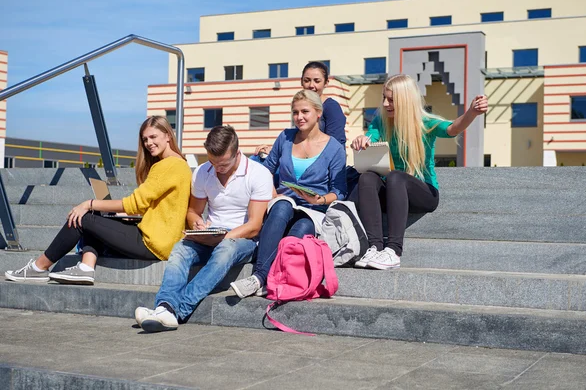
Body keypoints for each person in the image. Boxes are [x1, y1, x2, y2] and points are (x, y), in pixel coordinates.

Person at [4, 116, 192, 284]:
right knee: (97, 219)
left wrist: (89, 203)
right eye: (145, 139)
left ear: (168, 135)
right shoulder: (179, 163)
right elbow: (151, 207)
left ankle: (38, 267)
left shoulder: (168, 166)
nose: (149, 143)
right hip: (159, 239)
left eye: (153, 137)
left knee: (83, 218)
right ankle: (86, 267)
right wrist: (122, 214)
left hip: (153, 243)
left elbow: (135, 203)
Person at [136, 125, 273, 332]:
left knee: (226, 248)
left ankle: (177, 311)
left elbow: (254, 226)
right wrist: (196, 224)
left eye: (223, 163)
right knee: (181, 249)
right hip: (211, 233)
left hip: (242, 239)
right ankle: (165, 306)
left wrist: (224, 237)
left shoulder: (258, 174)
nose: (217, 168)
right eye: (212, 162)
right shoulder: (202, 172)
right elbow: (193, 211)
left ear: (237, 153)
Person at [351, 74, 488, 270]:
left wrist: (472, 113)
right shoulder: (381, 122)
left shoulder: (425, 122)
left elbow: (452, 128)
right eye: (384, 98)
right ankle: (374, 247)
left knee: (395, 177)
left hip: (424, 194)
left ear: (405, 100)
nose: (385, 103)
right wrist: (363, 140)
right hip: (392, 193)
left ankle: (394, 251)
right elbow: (371, 136)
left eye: (391, 99)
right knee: (367, 178)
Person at [229, 89, 347, 298]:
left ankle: (274, 277)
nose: (299, 117)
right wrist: (273, 195)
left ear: (318, 113)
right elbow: (267, 170)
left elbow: (339, 191)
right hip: (283, 202)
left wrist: (320, 199)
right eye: (295, 112)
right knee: (282, 206)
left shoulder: (334, 148)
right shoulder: (285, 137)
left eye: (304, 112)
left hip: (313, 210)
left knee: (302, 227)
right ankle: (258, 277)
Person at [253, 61, 347, 161]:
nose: (311, 85)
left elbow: (336, 146)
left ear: (326, 83)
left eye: (317, 81)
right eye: (307, 80)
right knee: (257, 159)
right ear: (301, 81)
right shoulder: (299, 105)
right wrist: (275, 150)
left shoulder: (331, 107)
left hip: (320, 163)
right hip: (300, 157)